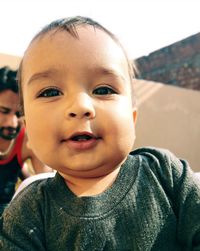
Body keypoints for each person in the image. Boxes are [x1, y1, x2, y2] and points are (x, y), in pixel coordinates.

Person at [0, 16, 200, 250]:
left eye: (103, 89)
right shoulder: (27, 213)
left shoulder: (167, 175)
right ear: (29, 131)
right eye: (50, 92)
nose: (80, 106)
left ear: (132, 118)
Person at [0, 66, 52, 216]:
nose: (12, 123)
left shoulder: (27, 140)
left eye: (19, 114)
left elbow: (46, 182)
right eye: (3, 111)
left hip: (8, 212)